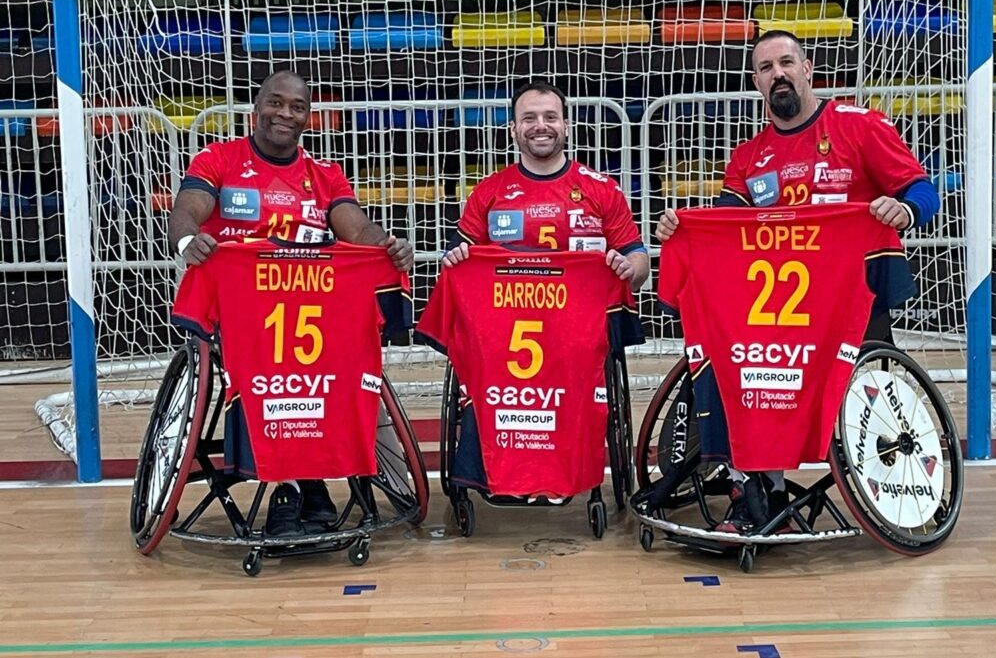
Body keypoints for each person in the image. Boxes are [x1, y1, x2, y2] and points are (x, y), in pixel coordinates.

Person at [655, 30, 940, 532]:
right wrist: (683, 228)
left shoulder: (857, 125)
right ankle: (759, 493)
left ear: (807, 69)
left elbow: (923, 190)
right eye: (766, 68)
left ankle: (906, 491)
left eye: (786, 62)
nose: (778, 74)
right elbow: (725, 227)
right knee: (750, 376)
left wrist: (905, 209)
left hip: (850, 305)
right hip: (778, 318)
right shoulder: (749, 157)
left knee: (869, 398)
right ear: (756, 82)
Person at [167, 70, 413, 536]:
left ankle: (312, 479)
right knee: (272, 367)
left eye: (298, 107)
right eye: (276, 102)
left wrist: (386, 246)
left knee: (346, 358)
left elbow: (358, 229)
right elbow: (187, 209)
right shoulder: (219, 159)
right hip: (244, 320)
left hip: (312, 319)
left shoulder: (324, 175)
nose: (286, 113)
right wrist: (186, 241)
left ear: (308, 117)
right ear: (256, 109)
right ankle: (295, 485)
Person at [443, 80, 650, 291]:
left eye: (551, 117)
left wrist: (630, 270)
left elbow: (636, 255)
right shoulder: (488, 191)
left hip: (586, 309)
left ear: (566, 126)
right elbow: (453, 259)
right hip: (510, 310)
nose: (541, 126)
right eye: (529, 118)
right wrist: (454, 258)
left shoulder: (603, 189)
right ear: (513, 129)